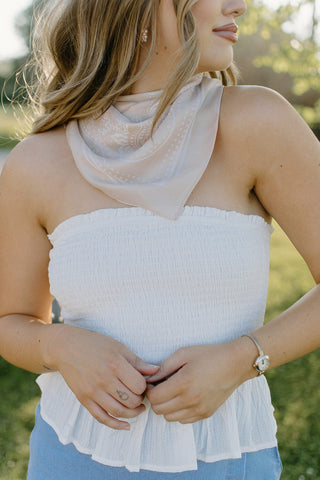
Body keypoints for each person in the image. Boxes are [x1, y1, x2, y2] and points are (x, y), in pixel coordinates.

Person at [0, 0, 319, 479]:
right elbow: (11, 321)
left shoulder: (257, 122)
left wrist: (242, 358)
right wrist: (60, 346)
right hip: (70, 457)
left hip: (228, 458)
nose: (242, 5)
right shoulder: (36, 161)